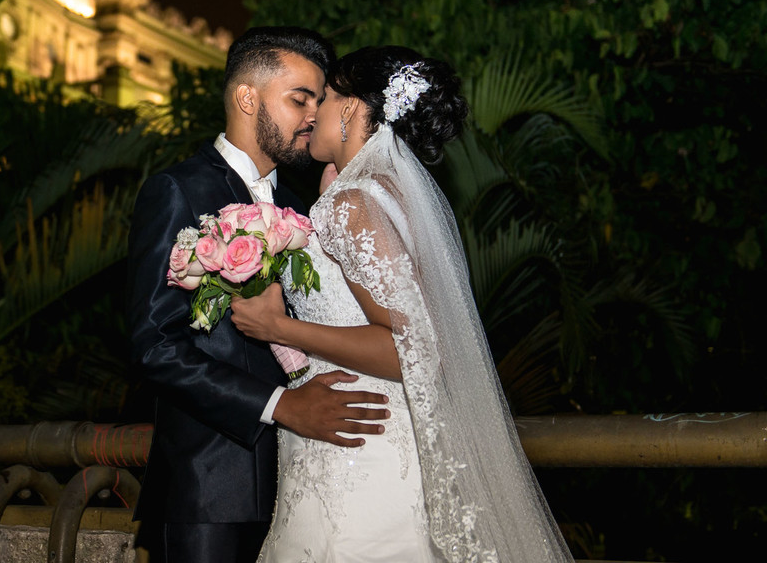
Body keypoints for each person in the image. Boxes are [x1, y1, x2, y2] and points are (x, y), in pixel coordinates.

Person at [231, 45, 574, 562]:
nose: (310, 115)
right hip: (374, 435)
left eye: (322, 99)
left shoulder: (352, 205)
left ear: (349, 109)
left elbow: (410, 348)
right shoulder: (381, 193)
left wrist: (280, 327)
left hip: (356, 452)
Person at [126, 27, 391, 563]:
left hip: (304, 478)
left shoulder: (302, 206)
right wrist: (280, 405)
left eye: (320, 101)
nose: (314, 115)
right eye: (300, 99)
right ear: (248, 98)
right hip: (209, 486)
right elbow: (154, 345)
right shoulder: (178, 190)